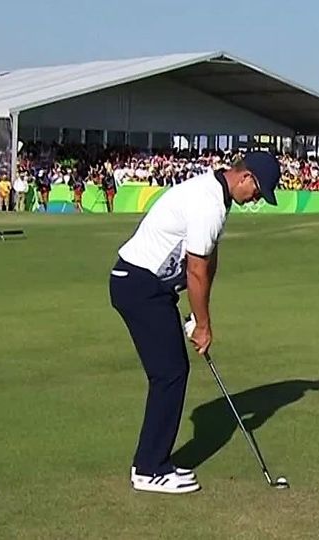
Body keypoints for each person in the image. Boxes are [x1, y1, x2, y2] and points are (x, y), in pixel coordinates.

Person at [109, 151, 281, 495]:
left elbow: (208, 259)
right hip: (139, 286)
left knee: (171, 372)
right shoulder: (209, 203)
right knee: (169, 374)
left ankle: (153, 462)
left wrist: (196, 314)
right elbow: (196, 270)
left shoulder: (217, 194)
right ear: (245, 177)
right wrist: (203, 325)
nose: (257, 199)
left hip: (151, 288)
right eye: (258, 191)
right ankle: (148, 469)